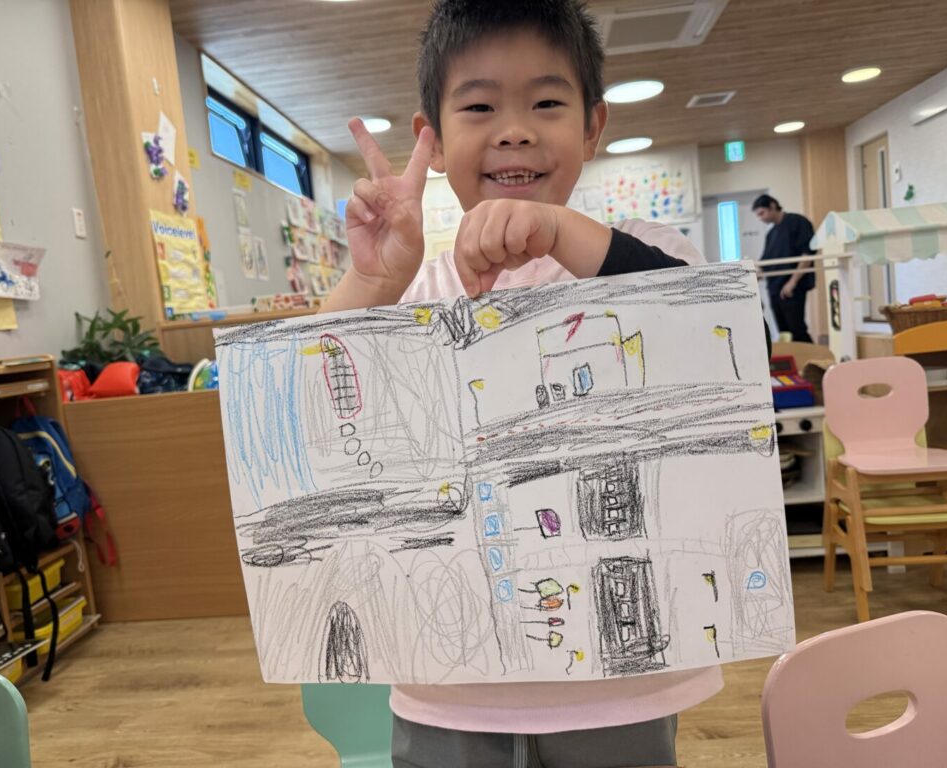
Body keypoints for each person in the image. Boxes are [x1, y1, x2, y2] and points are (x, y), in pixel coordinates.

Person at [322, 2, 723, 766]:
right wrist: (371, 282)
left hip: (619, 682)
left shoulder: (643, 255)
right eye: (479, 107)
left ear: (593, 127)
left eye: (546, 103)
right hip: (448, 676)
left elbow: (712, 334)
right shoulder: (416, 288)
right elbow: (314, 405)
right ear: (434, 140)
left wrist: (563, 232)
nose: (514, 130)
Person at [752, 194, 816, 342]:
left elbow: (807, 255)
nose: (761, 218)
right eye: (758, 215)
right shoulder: (771, 233)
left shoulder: (798, 222)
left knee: (797, 330)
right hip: (774, 288)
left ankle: (811, 355)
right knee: (784, 332)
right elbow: (765, 263)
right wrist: (753, 275)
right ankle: (792, 357)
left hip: (791, 288)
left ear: (772, 206)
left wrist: (792, 282)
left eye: (762, 213)